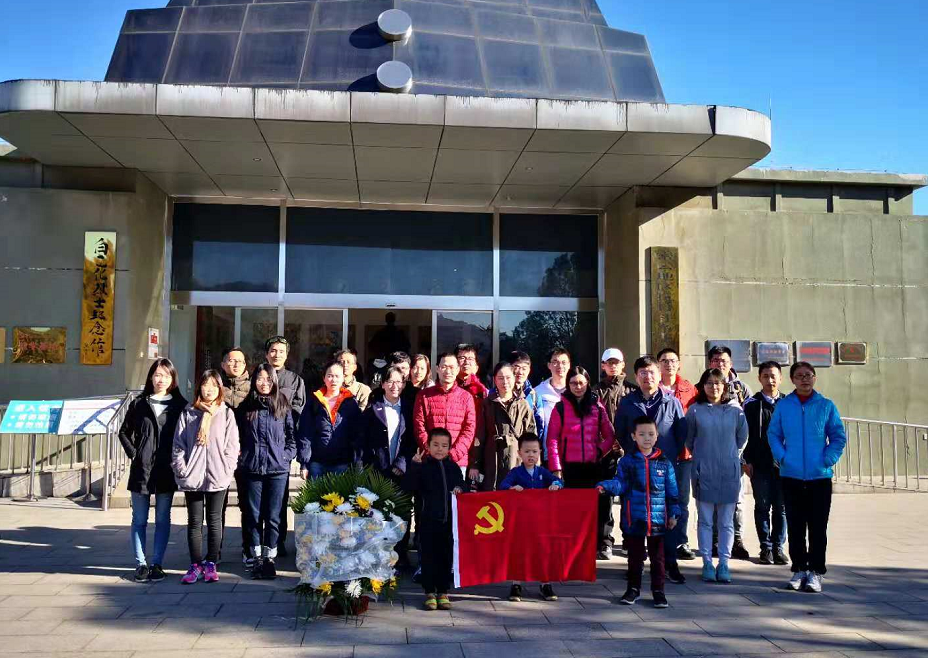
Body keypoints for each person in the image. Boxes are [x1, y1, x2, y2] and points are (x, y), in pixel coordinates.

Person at [767, 362, 847, 593]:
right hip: (791, 475)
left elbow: (838, 436)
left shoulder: (826, 405)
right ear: (792, 379)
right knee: (795, 526)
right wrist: (782, 457)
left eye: (808, 375)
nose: (804, 379)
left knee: (818, 527)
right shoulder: (784, 406)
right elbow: (774, 434)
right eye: (799, 376)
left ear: (815, 378)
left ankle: (816, 572)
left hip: (819, 477)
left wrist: (827, 459)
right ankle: (799, 569)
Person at [614, 356, 688, 582]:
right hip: (636, 469)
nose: (648, 377)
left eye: (652, 372)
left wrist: (668, 455)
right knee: (634, 515)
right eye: (643, 373)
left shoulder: (671, 402)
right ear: (636, 377)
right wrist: (635, 455)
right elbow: (621, 431)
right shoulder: (628, 403)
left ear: (659, 374)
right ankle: (635, 565)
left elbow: (681, 433)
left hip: (663, 469)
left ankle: (670, 563)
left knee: (667, 515)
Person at [597, 416, 681, 609]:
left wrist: (674, 514)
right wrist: (606, 486)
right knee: (635, 558)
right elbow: (620, 484)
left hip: (658, 521)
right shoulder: (627, 461)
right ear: (634, 436)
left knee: (658, 559)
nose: (647, 438)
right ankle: (633, 589)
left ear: (657, 435)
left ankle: (658, 591)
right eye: (642, 434)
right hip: (634, 519)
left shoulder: (664, 463)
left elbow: (673, 493)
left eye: (651, 434)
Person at [118, 358, 187, 583]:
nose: (161, 379)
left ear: (172, 378)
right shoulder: (139, 403)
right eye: (157, 375)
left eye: (166, 375)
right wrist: (134, 453)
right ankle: (141, 564)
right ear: (150, 377)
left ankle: (157, 563)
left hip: (166, 469)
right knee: (139, 519)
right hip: (142, 469)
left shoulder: (180, 405)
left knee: (162, 518)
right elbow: (124, 432)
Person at [172, 369, 240, 585]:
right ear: (199, 387)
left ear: (220, 388)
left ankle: (211, 562)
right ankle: (195, 564)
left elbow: (232, 446)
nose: (209, 389)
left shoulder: (226, 413)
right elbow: (178, 444)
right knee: (194, 522)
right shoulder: (188, 413)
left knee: (214, 520)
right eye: (205, 385)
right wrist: (182, 469)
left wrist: (227, 469)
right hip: (192, 475)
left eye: (213, 385)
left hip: (217, 474)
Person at [546, 365, 620, 560]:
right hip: (570, 467)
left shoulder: (597, 406)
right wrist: (556, 468)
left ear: (588, 384)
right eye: (573, 383)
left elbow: (610, 435)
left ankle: (597, 544)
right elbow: (552, 439)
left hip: (593, 466)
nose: (577, 387)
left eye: (581, 383)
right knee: (572, 510)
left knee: (596, 508)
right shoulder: (560, 407)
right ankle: (574, 547)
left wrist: (599, 451)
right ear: (568, 384)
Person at [685, 368, 748, 585]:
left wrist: (730, 456)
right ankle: (707, 562)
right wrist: (703, 457)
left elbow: (742, 438)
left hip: (729, 471)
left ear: (725, 386)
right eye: (710, 383)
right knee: (705, 520)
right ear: (703, 386)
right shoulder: (695, 411)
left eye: (718, 383)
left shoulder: (735, 410)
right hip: (704, 470)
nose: (714, 387)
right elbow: (689, 440)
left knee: (726, 521)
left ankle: (724, 563)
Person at [235, 364, 296, 580]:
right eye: (260, 379)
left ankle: (270, 556)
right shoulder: (246, 407)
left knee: (273, 516)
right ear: (254, 381)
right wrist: (242, 457)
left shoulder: (282, 405)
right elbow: (237, 437)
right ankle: (256, 556)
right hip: (252, 468)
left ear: (274, 381)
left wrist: (285, 456)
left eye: (268, 379)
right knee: (253, 515)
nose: (264, 383)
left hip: (277, 469)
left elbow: (291, 437)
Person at [360, 365, 417, 567]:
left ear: (404, 384)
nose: (394, 386)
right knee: (379, 514)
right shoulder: (372, 409)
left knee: (401, 512)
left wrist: (401, 463)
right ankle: (379, 555)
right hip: (378, 471)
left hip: (401, 471)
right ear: (383, 384)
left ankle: (400, 555)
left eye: (399, 381)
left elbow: (412, 440)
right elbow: (364, 441)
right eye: (390, 381)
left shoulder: (410, 408)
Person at [402, 428, 464, 611]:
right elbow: (408, 486)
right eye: (435, 445)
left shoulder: (453, 467)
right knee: (429, 557)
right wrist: (414, 466)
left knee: (446, 557)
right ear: (428, 446)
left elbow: (462, 484)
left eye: (444, 446)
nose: (439, 449)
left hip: (448, 522)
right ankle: (429, 592)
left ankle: (443, 591)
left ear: (449, 448)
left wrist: (461, 488)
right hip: (427, 521)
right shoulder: (423, 467)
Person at [500, 432, 562, 603]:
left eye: (535, 451)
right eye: (527, 451)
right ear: (519, 453)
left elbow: (558, 481)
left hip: (541, 521)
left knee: (543, 552)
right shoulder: (516, 473)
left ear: (540, 452)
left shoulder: (542, 472)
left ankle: (545, 584)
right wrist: (512, 488)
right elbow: (503, 485)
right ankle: (516, 584)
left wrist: (556, 485)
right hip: (521, 522)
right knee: (519, 551)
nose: (531, 455)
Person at [707, 345, 752, 560]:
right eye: (716, 360)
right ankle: (715, 540)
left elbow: (748, 426)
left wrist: (743, 456)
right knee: (712, 501)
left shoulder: (742, 389)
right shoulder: (704, 386)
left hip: (735, 455)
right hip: (710, 456)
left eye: (723, 360)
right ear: (710, 363)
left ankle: (737, 540)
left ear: (731, 364)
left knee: (737, 501)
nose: (720, 364)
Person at [742, 361, 788, 566]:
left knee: (781, 508)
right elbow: (744, 436)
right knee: (762, 506)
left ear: (781, 378)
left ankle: (778, 547)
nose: (770, 380)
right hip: (759, 465)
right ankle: (765, 548)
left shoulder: (789, 403)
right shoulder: (751, 404)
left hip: (785, 466)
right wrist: (745, 460)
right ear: (759, 378)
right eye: (766, 376)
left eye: (774, 376)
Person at [265, 335, 305, 556]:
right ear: (266, 354)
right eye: (273, 350)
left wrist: (292, 448)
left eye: (281, 351)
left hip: (281, 445)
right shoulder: (259, 376)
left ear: (287, 355)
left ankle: (277, 541)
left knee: (279, 497)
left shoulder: (294, 380)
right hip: (260, 444)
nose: (276, 354)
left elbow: (299, 411)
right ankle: (258, 542)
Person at [656, 347, 697, 560]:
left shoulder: (689, 389)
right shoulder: (653, 387)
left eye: (673, 360)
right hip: (659, 455)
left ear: (679, 364)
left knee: (682, 500)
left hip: (684, 455)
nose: (669, 364)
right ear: (658, 364)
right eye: (664, 360)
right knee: (658, 499)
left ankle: (681, 540)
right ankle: (659, 540)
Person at [469, 361, 536, 490]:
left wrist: (533, 463)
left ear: (514, 378)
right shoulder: (487, 404)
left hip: (516, 458)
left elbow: (531, 436)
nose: (505, 382)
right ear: (495, 380)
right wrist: (475, 464)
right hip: (492, 457)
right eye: (500, 378)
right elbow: (479, 435)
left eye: (508, 377)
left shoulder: (523, 404)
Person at [412, 352, 477, 475]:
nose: (448, 371)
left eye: (451, 367)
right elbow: (419, 426)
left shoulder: (466, 397)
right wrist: (432, 451)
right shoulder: (423, 395)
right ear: (437, 369)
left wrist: (452, 454)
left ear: (457, 370)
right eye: (444, 367)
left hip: (457, 462)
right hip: (429, 460)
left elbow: (469, 429)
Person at [298, 361, 363, 479]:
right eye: (330, 376)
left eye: (337, 376)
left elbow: (357, 434)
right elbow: (305, 432)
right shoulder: (314, 401)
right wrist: (304, 462)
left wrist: (357, 460)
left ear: (343, 378)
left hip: (342, 463)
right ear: (324, 378)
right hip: (317, 462)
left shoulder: (350, 402)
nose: (333, 380)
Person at [218, 346, 250, 566]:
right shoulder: (214, 385)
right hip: (219, 452)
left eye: (240, 361)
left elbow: (242, 405)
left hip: (246, 451)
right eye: (231, 360)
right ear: (223, 364)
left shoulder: (253, 386)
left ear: (245, 365)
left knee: (246, 503)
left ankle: (248, 548)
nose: (236, 364)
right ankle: (215, 549)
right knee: (217, 504)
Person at [535, 348, 572, 444]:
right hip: (547, 447)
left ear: (569, 365)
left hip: (573, 446)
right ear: (549, 365)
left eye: (564, 362)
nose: (560, 366)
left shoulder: (576, 391)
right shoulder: (538, 392)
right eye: (555, 362)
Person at [594, 348, 639, 421]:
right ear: (603, 365)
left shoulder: (633, 390)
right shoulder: (595, 391)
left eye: (616, 362)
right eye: (610, 363)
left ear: (623, 364)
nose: (613, 366)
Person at [455, 343, 489, 417]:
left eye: (470, 359)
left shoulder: (481, 390)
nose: (466, 362)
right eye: (462, 358)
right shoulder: (448, 386)